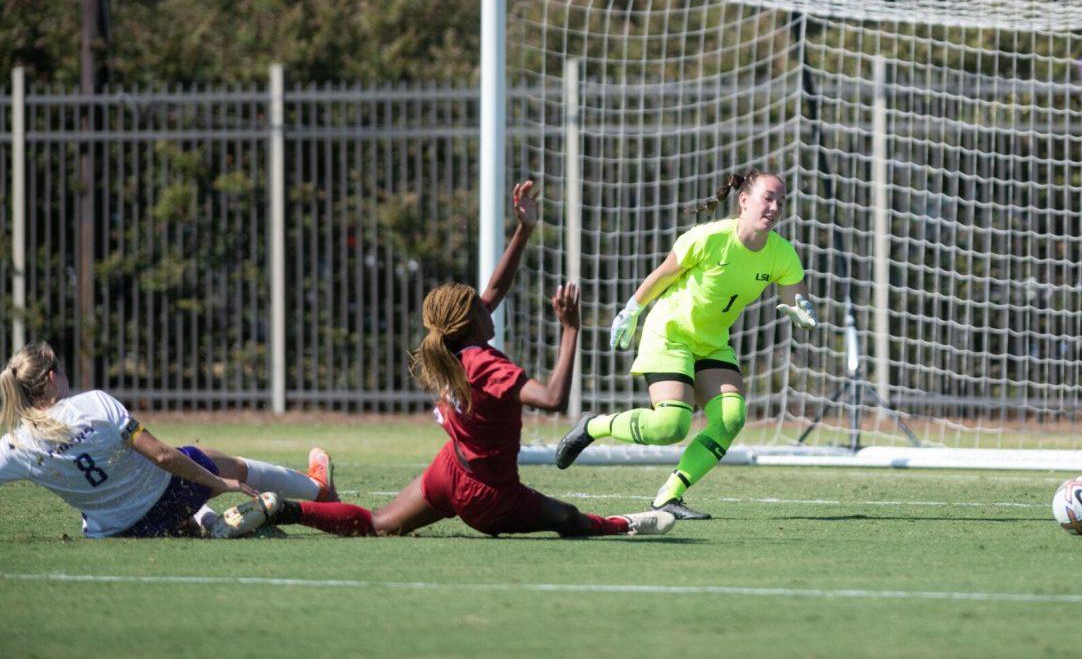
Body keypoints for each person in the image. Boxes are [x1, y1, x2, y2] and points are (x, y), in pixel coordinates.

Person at [218, 181, 675, 539]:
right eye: (479, 305)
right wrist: (571, 328)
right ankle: (623, 524)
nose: (488, 302)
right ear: (473, 321)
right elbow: (554, 399)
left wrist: (524, 229)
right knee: (571, 520)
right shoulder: (486, 365)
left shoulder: (450, 350)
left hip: (449, 470)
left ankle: (285, 508)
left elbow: (494, 290)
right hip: (490, 495)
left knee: (378, 524)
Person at [554, 168, 818, 519]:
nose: (774, 207)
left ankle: (669, 495)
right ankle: (592, 426)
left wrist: (802, 312)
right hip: (670, 333)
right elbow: (663, 274)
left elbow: (797, 296)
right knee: (670, 426)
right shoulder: (708, 238)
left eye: (781, 201)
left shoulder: (782, 254)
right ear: (743, 201)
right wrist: (632, 310)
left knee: (731, 417)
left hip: (711, 343)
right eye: (767, 198)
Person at [0, 341, 336, 538]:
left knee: (173, 492)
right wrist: (218, 482)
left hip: (120, 534)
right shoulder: (93, 404)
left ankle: (207, 523)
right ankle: (316, 488)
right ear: (52, 377)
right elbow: (162, 456)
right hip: (172, 498)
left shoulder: (17, 445)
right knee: (198, 457)